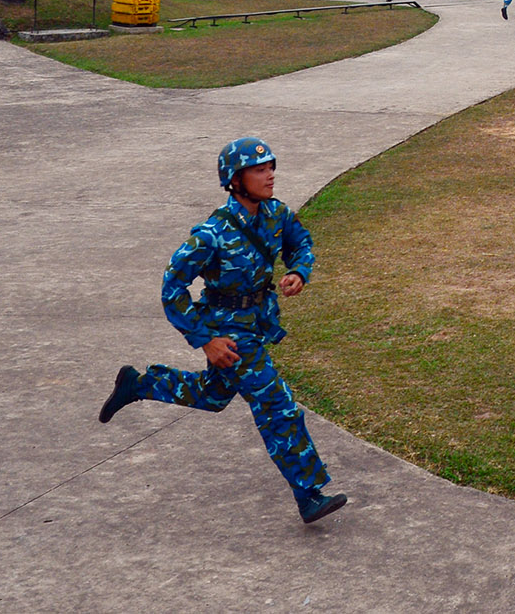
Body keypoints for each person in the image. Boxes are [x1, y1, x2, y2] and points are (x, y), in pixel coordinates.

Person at [96, 138, 347, 525]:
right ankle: (308, 494)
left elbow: (301, 243)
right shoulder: (211, 234)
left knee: (213, 396)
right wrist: (205, 340)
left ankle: (140, 384)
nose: (270, 175)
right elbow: (172, 288)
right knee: (277, 406)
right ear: (235, 180)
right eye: (259, 169)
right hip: (227, 331)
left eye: (270, 167)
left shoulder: (276, 214)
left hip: (256, 322)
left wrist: (298, 270)